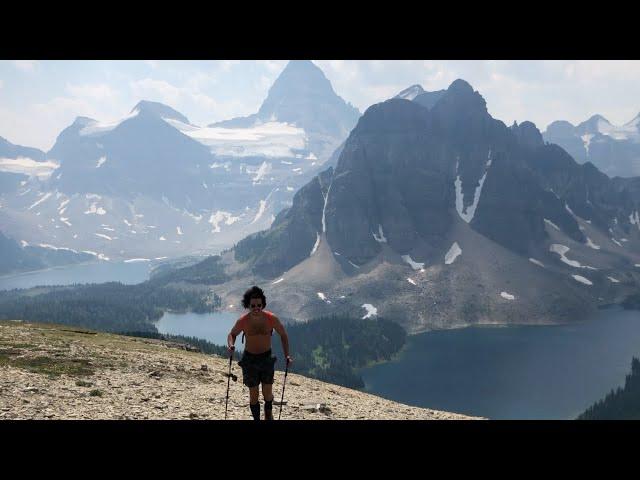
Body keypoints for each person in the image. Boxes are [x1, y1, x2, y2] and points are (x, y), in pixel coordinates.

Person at [227, 286, 292, 420]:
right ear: (248, 305)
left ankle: (268, 415)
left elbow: (283, 335)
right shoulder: (243, 321)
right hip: (249, 360)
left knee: (268, 394)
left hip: (266, 358)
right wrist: (231, 345)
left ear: (263, 304)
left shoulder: (271, 318)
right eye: (253, 305)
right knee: (253, 395)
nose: (256, 308)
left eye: (259, 305)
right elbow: (232, 334)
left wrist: (287, 355)